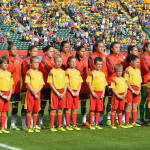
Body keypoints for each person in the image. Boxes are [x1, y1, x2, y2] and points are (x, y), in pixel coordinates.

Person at [88, 41, 107, 125]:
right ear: (96, 47)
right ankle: (93, 121)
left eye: (103, 46)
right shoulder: (92, 57)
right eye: (100, 46)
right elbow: (93, 68)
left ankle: (100, 120)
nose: (102, 48)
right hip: (95, 84)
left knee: (102, 103)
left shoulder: (104, 56)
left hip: (103, 82)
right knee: (93, 106)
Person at [47, 54, 68, 132]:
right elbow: (50, 83)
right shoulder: (52, 71)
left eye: (60, 61)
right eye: (57, 61)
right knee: (53, 109)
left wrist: (63, 92)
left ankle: (59, 125)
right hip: (55, 92)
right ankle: (52, 125)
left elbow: (66, 83)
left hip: (62, 92)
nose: (59, 63)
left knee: (60, 109)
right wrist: (57, 92)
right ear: (54, 61)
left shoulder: (64, 72)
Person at [106, 42, 124, 125]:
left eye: (119, 47)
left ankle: (117, 118)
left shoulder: (121, 57)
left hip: (120, 82)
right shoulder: (109, 57)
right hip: (111, 81)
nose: (118, 49)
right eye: (116, 47)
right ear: (112, 49)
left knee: (119, 101)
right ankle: (109, 117)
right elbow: (111, 69)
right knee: (111, 101)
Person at [25, 56, 44, 133]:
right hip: (30, 93)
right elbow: (28, 83)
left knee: (36, 110)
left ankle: (34, 126)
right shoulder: (28, 72)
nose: (36, 64)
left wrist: (36, 92)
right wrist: (33, 92)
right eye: (34, 62)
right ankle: (28, 127)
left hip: (37, 94)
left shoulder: (40, 73)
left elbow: (42, 84)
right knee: (29, 110)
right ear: (31, 63)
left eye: (37, 62)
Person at [6, 41, 23, 130]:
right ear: (9, 51)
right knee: (5, 107)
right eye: (13, 49)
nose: (15, 51)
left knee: (15, 106)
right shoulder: (5, 60)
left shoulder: (20, 59)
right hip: (7, 87)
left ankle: (13, 124)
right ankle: (4, 124)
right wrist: (13, 67)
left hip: (17, 87)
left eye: (16, 49)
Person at [21, 45, 38, 130]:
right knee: (26, 106)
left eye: (37, 51)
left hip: (35, 88)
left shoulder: (36, 61)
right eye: (34, 51)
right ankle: (24, 123)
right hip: (27, 88)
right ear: (29, 51)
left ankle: (32, 124)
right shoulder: (26, 61)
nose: (36, 53)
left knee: (34, 107)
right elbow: (25, 75)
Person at [39, 46, 55, 129]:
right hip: (45, 86)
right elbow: (49, 73)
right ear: (45, 52)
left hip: (52, 87)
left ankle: (51, 122)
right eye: (50, 51)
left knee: (51, 105)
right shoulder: (42, 62)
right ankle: (40, 122)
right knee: (42, 105)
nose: (52, 53)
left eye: (53, 51)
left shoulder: (53, 60)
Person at [65, 56, 83, 131]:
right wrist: (71, 91)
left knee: (74, 108)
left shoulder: (77, 72)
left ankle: (74, 124)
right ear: (68, 62)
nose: (73, 63)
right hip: (70, 92)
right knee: (68, 108)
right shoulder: (67, 72)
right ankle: (67, 124)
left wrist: (78, 91)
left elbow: (80, 82)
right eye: (72, 62)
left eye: (75, 62)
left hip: (76, 92)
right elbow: (66, 83)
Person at [124, 55, 142, 127]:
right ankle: (127, 122)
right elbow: (126, 81)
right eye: (136, 62)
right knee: (129, 105)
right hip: (130, 89)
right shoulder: (127, 70)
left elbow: (140, 82)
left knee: (135, 105)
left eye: (138, 62)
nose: (138, 64)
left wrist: (138, 90)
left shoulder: (138, 71)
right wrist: (132, 90)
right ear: (131, 62)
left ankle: (133, 122)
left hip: (137, 90)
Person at [110, 64, 128, 129]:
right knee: (114, 109)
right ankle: (112, 124)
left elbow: (126, 88)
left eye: (121, 71)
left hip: (122, 96)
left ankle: (120, 124)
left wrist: (124, 95)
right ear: (115, 71)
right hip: (116, 96)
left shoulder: (124, 79)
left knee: (120, 110)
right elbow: (113, 88)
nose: (120, 73)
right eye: (118, 71)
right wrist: (117, 95)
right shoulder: (114, 79)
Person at [75, 46, 90, 126]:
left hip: (85, 85)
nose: (84, 53)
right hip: (76, 85)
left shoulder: (87, 60)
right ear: (77, 52)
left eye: (85, 51)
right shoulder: (75, 61)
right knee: (72, 103)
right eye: (82, 51)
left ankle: (84, 121)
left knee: (84, 103)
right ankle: (67, 121)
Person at [0, 56, 14, 133]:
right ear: (0, 64)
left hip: (7, 95)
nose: (6, 65)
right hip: (1, 94)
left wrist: (9, 95)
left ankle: (2, 127)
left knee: (4, 112)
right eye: (4, 63)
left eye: (7, 63)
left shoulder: (9, 74)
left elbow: (11, 85)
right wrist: (2, 95)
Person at [140, 42, 150, 124]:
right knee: (144, 98)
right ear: (146, 48)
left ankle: (147, 117)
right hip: (145, 81)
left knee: (148, 99)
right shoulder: (144, 56)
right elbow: (147, 68)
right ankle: (142, 117)